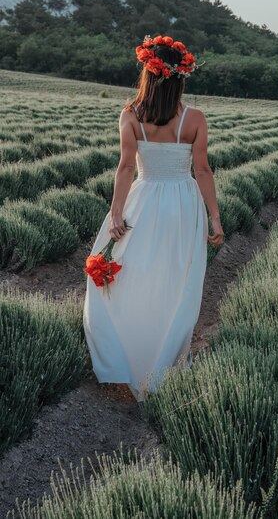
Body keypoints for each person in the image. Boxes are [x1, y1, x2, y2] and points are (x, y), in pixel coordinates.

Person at [83, 34, 224, 402]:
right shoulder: (194, 119)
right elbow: (204, 170)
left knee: (133, 274)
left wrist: (116, 212)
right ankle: (163, 366)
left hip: (142, 200)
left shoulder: (130, 115)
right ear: (180, 78)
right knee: (175, 280)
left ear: (147, 74)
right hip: (181, 204)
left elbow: (126, 167)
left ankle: (127, 359)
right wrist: (215, 218)